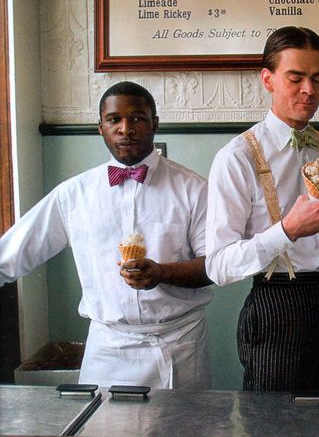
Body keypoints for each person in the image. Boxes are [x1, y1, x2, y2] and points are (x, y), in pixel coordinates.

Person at [0, 81, 213, 389]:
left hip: (178, 345)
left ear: (155, 123)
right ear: (100, 127)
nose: (126, 128)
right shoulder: (74, 195)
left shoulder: (194, 189)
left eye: (138, 118)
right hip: (108, 348)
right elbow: (14, 253)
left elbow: (214, 266)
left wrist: (162, 273)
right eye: (114, 120)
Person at [205, 26, 319, 391]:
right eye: (295, 78)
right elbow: (218, 266)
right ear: (268, 79)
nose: (309, 90)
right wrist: (287, 230)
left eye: (317, 79)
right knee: (272, 425)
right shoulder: (237, 158)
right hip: (276, 307)